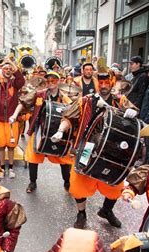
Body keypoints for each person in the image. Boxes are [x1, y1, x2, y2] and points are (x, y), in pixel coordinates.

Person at [52, 68, 125, 229]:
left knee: (116, 184)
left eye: (107, 82)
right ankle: (81, 213)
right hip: (86, 147)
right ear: (97, 83)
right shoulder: (84, 101)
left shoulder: (120, 101)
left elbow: (132, 123)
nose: (104, 85)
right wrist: (60, 130)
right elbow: (69, 117)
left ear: (112, 84)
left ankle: (106, 210)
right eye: (101, 82)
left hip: (111, 150)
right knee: (78, 185)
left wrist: (131, 114)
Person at [22, 71, 73, 193]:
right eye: (48, 81)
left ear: (59, 81)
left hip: (58, 133)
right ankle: (32, 182)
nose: (50, 83)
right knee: (33, 157)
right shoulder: (40, 94)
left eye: (53, 80)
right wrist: (15, 114)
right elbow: (24, 102)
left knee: (64, 159)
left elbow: (72, 111)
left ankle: (67, 181)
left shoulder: (64, 97)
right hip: (41, 129)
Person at [0, 59, 25, 178]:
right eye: (5, 69)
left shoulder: (15, 84)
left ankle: (11, 168)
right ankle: (2, 168)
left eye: (10, 69)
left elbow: (21, 80)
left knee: (11, 146)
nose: (8, 71)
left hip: (12, 120)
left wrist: (12, 63)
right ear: (2, 70)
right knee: (1, 145)